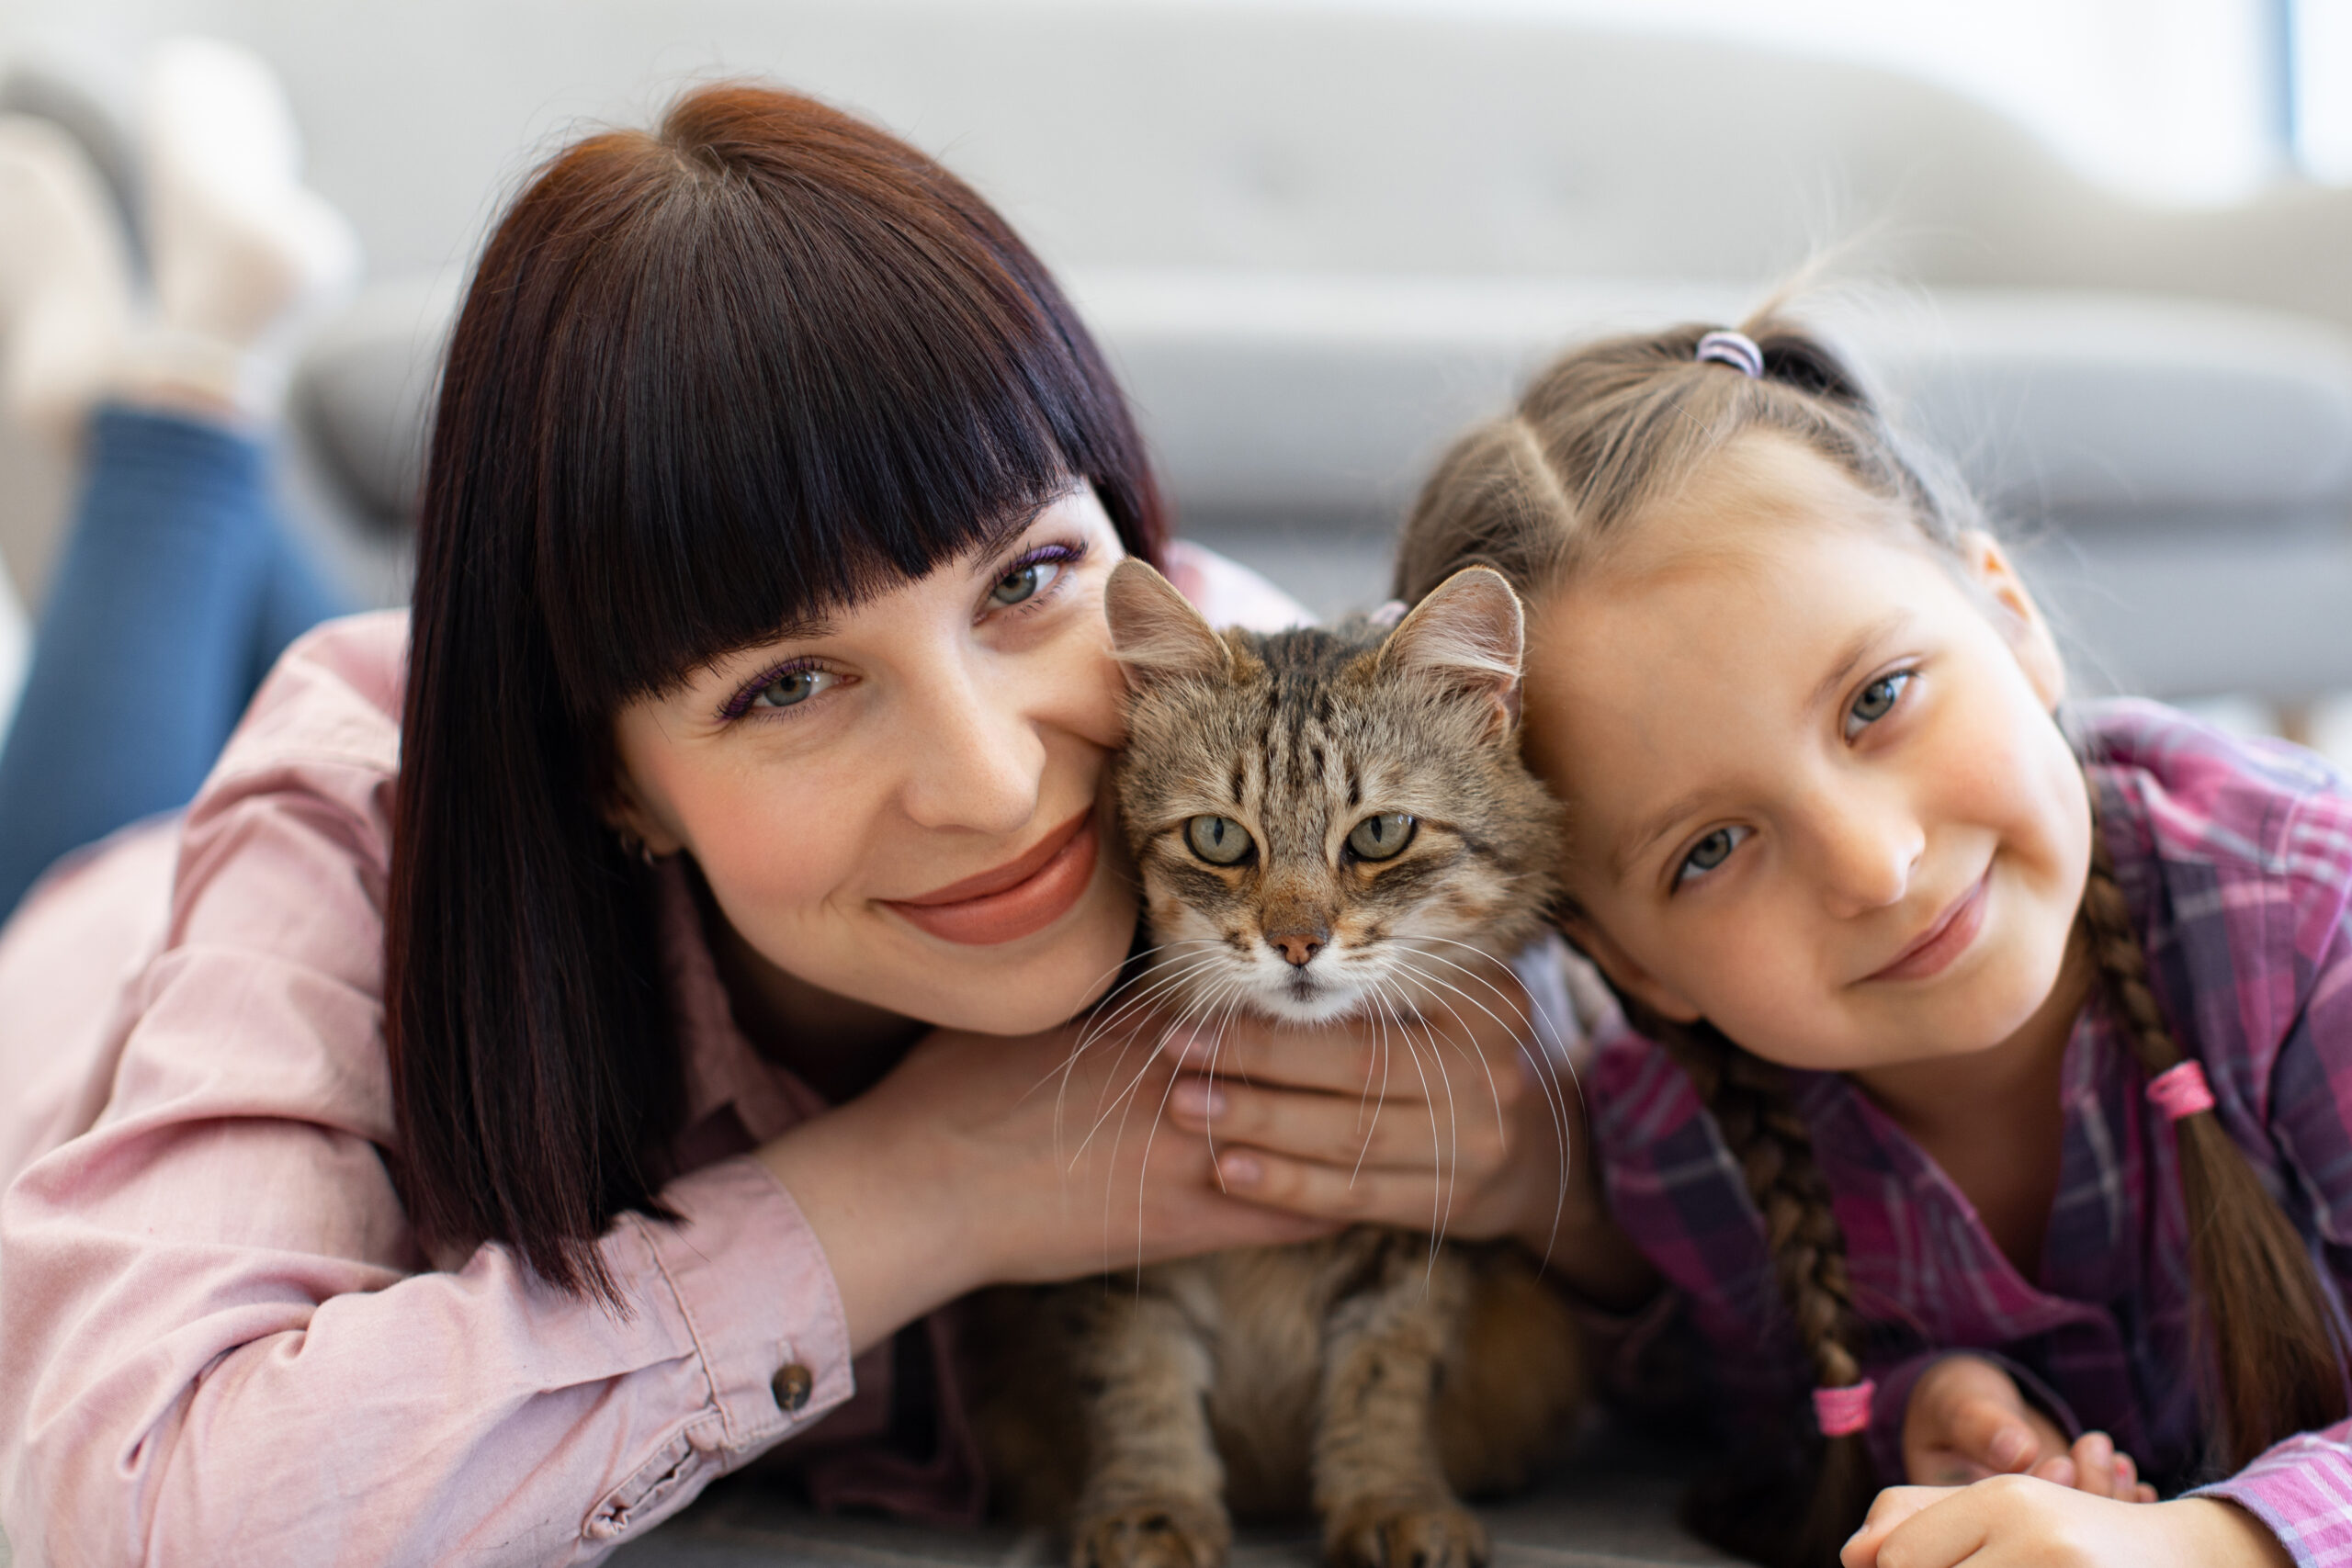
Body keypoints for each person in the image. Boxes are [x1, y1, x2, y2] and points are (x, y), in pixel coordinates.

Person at [0, 60, 1641, 1564]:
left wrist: (1550, 1179)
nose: (993, 784)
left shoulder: (1216, 682)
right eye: (787, 684)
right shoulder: (353, 810)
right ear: (608, 782)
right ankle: (188, 386)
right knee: (117, 784)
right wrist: (916, 1192)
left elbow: (1685, 1164)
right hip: (83, 953)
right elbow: (150, 1514)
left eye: (1029, 576)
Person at [1391, 316, 2350, 1568]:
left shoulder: (2301, 913)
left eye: (1878, 699)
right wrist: (1920, 1409)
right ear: (1631, 965)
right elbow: (1750, 1409)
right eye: (1712, 848)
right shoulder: (1685, 1141)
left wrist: (2212, 1545)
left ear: (2011, 616)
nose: (1874, 866)